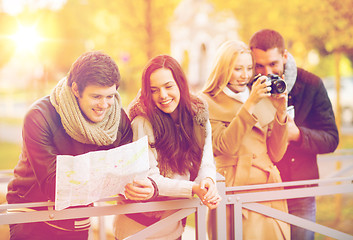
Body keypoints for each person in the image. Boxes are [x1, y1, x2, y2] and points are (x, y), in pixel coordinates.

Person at [6, 51, 146, 239]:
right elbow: (53, 185)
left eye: (110, 96)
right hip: (32, 214)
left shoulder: (118, 121)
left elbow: (128, 173)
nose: (104, 105)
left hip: (77, 217)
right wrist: (107, 171)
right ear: (75, 89)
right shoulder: (40, 116)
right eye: (96, 97)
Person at [114, 54, 221, 240]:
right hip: (138, 230)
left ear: (180, 83)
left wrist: (208, 182)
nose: (162, 95)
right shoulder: (142, 121)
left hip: (174, 226)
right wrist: (194, 189)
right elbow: (150, 178)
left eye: (168, 86)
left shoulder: (199, 116)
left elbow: (207, 162)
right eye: (154, 90)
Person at [249, 29, 339, 240]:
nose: (265, 72)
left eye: (273, 64)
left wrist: (297, 135)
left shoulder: (312, 84)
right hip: (260, 192)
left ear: (285, 56)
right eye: (259, 65)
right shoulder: (246, 86)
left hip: (299, 191)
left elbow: (331, 139)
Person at [201, 40, 290, 240]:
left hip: (268, 188)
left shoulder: (261, 97)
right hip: (234, 189)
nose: (246, 75)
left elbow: (276, 154)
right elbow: (224, 147)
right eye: (238, 69)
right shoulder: (207, 101)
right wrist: (250, 104)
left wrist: (281, 112)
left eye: (249, 68)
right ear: (223, 70)